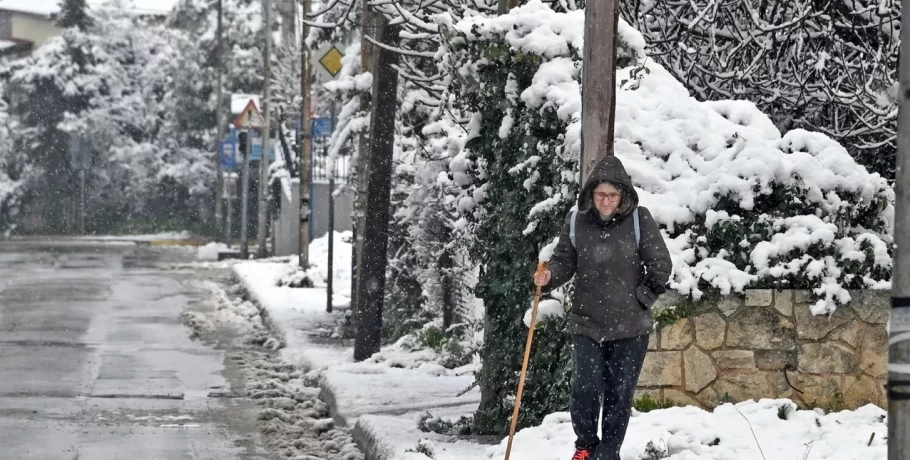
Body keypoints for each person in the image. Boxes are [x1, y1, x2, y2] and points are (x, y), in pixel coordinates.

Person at [534, 156, 672, 460]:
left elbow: (661, 265)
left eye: (612, 194)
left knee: (618, 396)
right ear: (590, 195)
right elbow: (563, 261)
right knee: (585, 388)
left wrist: (642, 299)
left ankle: (609, 452)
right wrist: (550, 276)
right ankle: (585, 446)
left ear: (623, 194)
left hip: (631, 328)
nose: (606, 201)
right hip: (588, 324)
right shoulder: (576, 222)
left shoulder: (639, 220)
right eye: (600, 195)